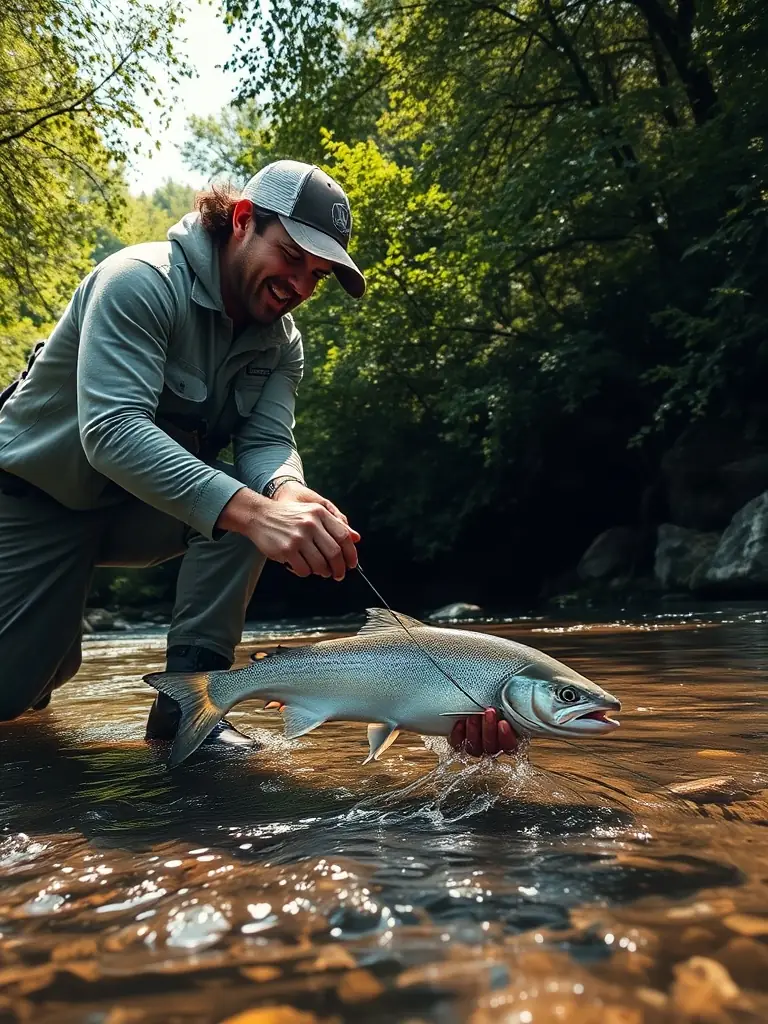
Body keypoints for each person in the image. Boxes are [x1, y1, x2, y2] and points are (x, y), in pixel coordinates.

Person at [0, 159, 516, 757]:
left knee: (262, 512)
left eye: (318, 274)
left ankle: (188, 707)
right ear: (243, 220)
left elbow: (267, 445)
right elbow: (112, 430)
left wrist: (288, 494)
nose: (300, 285)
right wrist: (254, 510)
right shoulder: (137, 281)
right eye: (292, 256)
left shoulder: (281, 341)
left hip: (135, 510)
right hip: (31, 500)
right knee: (16, 697)